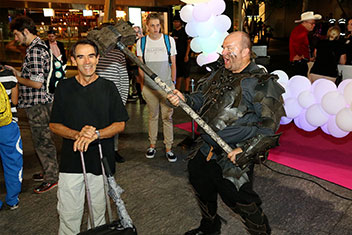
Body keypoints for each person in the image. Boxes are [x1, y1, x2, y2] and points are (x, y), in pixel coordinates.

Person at [167, 31, 285, 235]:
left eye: (230, 48)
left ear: (247, 51)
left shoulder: (262, 82)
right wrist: (185, 99)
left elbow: (268, 128)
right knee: (200, 186)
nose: (224, 52)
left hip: (232, 156)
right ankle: (210, 227)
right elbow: (201, 100)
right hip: (204, 149)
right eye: (223, 47)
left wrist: (245, 150)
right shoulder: (219, 74)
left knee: (240, 200)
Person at [49, 39, 129, 234]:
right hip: (71, 160)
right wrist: (78, 134)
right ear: (73, 61)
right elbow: (54, 124)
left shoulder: (108, 87)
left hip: (101, 160)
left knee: (98, 214)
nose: (87, 61)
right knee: (69, 213)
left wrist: (96, 134)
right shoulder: (64, 87)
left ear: (98, 58)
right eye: (81, 56)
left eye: (91, 56)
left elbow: (120, 123)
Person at [6, 16, 59, 193]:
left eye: (16, 34)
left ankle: (52, 177)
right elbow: (35, 75)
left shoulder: (35, 50)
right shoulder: (37, 47)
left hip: (38, 104)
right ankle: (48, 170)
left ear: (25, 31)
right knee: (43, 139)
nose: (15, 39)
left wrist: (16, 78)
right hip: (41, 102)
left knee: (42, 141)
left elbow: (36, 83)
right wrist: (19, 72)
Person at [136, 13, 177, 162]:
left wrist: (172, 84)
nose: (155, 28)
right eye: (152, 25)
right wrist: (142, 86)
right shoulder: (141, 43)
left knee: (168, 117)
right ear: (147, 26)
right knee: (152, 117)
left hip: (166, 87)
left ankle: (169, 148)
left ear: (161, 26)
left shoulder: (169, 40)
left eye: (157, 25)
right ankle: (152, 145)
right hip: (149, 87)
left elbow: (173, 63)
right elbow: (140, 66)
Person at [96, 45, 129, 163]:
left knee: (115, 125)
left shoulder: (119, 54)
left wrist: (123, 99)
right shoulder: (96, 52)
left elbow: (123, 77)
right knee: (98, 124)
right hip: (98, 95)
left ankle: (113, 150)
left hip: (115, 96)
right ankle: (99, 150)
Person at [0, 65, 23, 210]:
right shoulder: (9, 75)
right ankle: (13, 199)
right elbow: (14, 101)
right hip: (8, 126)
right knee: (12, 162)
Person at [289, 11, 322, 76]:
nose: (314, 25)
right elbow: (297, 46)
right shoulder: (300, 31)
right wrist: (303, 56)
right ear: (305, 23)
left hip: (300, 62)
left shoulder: (301, 30)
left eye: (314, 23)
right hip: (299, 62)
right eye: (312, 23)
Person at [171, 15, 191, 93]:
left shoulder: (184, 31)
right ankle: (177, 89)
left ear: (180, 22)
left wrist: (187, 55)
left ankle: (186, 90)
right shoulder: (173, 32)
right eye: (174, 22)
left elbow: (189, 43)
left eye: (177, 22)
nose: (175, 23)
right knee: (178, 73)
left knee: (186, 73)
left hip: (184, 55)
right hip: (176, 55)